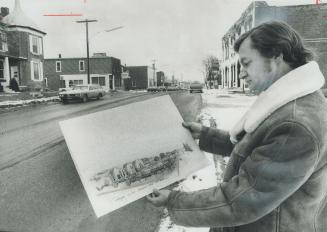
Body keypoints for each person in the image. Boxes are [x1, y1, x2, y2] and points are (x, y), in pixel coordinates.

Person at [147, 21, 327, 232]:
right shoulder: (293, 104)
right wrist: (205, 135)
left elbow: (244, 200)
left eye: (247, 63)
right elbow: (262, 152)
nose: (241, 74)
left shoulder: (296, 123)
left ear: (276, 56)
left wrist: (175, 201)